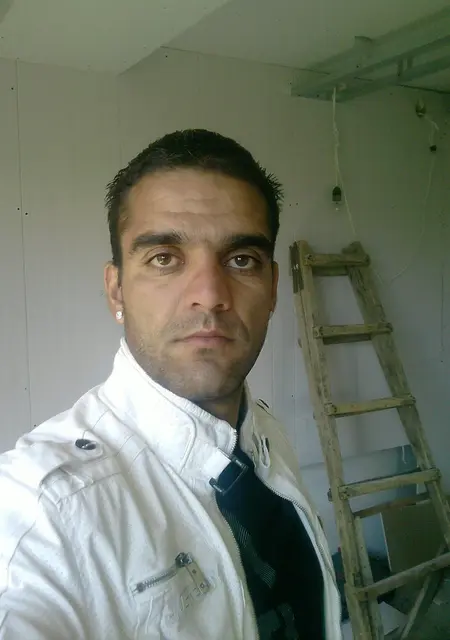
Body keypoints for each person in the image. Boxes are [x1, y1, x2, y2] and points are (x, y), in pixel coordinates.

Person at [0, 129, 341, 639]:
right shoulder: (42, 513)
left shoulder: (264, 432)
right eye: (164, 257)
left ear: (272, 288)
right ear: (116, 291)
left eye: (241, 260)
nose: (209, 295)